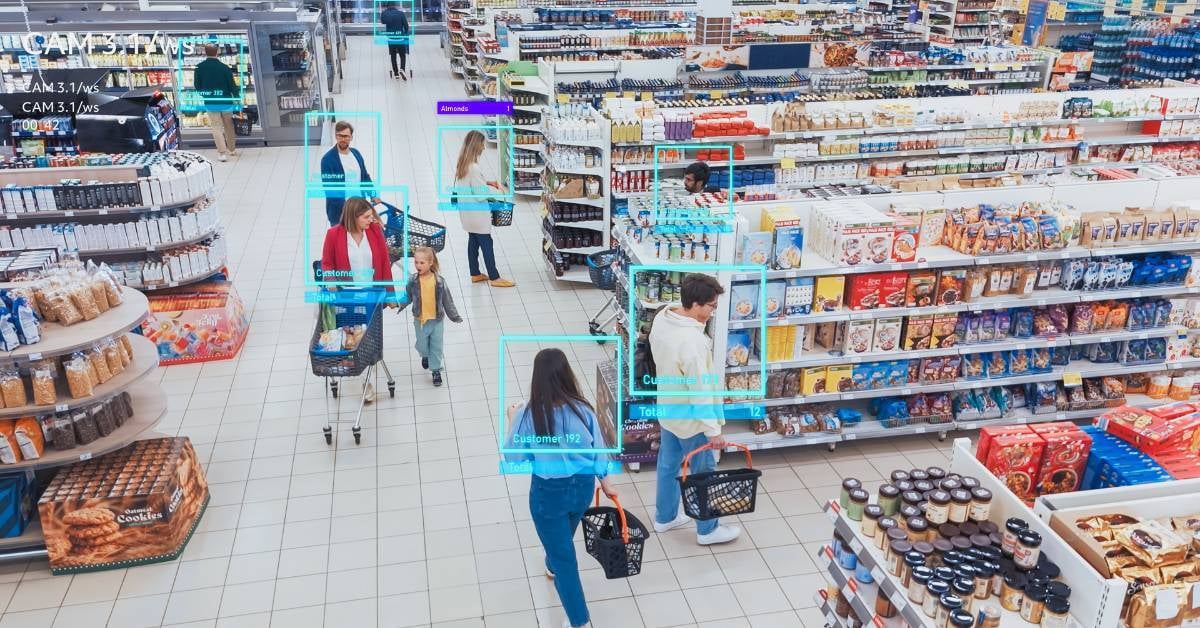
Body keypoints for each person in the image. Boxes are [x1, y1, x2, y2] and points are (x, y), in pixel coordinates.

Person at [505, 348, 619, 628]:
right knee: (562, 543)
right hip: (581, 488)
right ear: (567, 375)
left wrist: (511, 420)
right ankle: (552, 562)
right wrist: (606, 483)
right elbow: (599, 450)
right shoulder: (583, 410)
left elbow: (514, 458)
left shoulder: (528, 415)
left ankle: (578, 620)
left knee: (565, 558)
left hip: (547, 494)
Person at [648, 273, 741, 545]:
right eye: (711, 306)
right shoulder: (692, 343)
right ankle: (708, 530)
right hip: (692, 421)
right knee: (703, 474)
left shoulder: (663, 318)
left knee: (667, 466)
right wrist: (713, 431)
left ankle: (665, 518)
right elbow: (700, 391)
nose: (713, 312)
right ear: (696, 304)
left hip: (668, 409)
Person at [320, 197, 396, 402]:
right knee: (352, 339)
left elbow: (384, 263)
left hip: (371, 295)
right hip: (347, 297)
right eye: (366, 217)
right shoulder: (334, 234)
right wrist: (330, 279)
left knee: (369, 339)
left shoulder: (374, 231)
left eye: (371, 216)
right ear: (353, 217)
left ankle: (367, 382)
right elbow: (326, 263)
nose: (371, 220)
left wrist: (390, 294)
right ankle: (360, 374)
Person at [452, 130, 516, 288]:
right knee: (487, 243)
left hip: (467, 213)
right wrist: (494, 197)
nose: (484, 147)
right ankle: (494, 277)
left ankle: (475, 273)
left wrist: (487, 182)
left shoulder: (462, 164)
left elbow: (469, 185)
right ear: (476, 145)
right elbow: (481, 195)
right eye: (482, 144)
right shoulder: (474, 167)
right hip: (478, 214)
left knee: (473, 241)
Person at [394, 247, 462, 387]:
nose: (418, 265)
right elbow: (407, 296)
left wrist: (454, 316)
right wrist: (398, 304)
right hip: (420, 320)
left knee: (437, 346)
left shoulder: (439, 281)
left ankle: (436, 370)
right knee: (422, 344)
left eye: (422, 263)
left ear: (431, 263)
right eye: (416, 262)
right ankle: (424, 355)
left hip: (436, 320)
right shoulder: (413, 280)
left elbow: (447, 300)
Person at [320, 121, 380, 226]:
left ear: (351, 137)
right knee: (342, 242)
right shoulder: (327, 160)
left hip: (360, 209)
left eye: (346, 136)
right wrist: (349, 210)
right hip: (340, 213)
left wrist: (373, 194)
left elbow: (365, 177)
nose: (343, 139)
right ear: (336, 136)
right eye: (340, 136)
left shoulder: (356, 154)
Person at [193, 44, 239, 162]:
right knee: (229, 125)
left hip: (211, 102)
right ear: (217, 52)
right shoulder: (224, 67)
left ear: (205, 52)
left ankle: (222, 153)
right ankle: (232, 149)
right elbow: (232, 85)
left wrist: (205, 94)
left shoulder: (199, 68)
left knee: (216, 127)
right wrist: (237, 97)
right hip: (226, 102)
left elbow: (197, 86)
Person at [380, 2, 411, 80]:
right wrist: (406, 34)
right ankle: (402, 69)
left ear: (387, 6)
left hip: (391, 38)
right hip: (400, 37)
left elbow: (383, 21)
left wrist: (385, 13)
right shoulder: (400, 13)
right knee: (402, 55)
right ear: (395, 6)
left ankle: (396, 73)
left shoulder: (384, 13)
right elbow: (406, 26)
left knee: (393, 55)